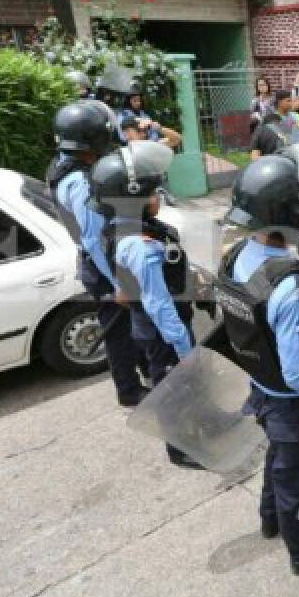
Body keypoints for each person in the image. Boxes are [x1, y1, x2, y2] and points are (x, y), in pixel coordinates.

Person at [215, 153, 299, 574]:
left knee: (279, 460)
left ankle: (270, 519)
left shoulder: (237, 254)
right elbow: (298, 371)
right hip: (292, 401)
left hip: (260, 384)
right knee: (298, 477)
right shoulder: (292, 288)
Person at [90, 143, 202, 470]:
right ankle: (179, 449)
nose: (158, 199)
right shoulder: (141, 247)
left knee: (174, 384)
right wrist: (183, 345)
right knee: (172, 386)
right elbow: (158, 303)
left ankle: (190, 432)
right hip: (162, 331)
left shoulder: (124, 229)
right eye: (153, 194)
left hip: (154, 324)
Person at [46, 103, 148, 408]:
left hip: (102, 262)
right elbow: (93, 239)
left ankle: (143, 373)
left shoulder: (61, 164)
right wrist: (119, 282)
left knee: (130, 324)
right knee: (119, 331)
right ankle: (129, 390)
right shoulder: (78, 182)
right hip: (104, 266)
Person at [249, 93, 299, 161]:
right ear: (280, 103)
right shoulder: (265, 126)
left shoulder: (294, 119)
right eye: (288, 101)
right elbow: (254, 154)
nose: (291, 103)